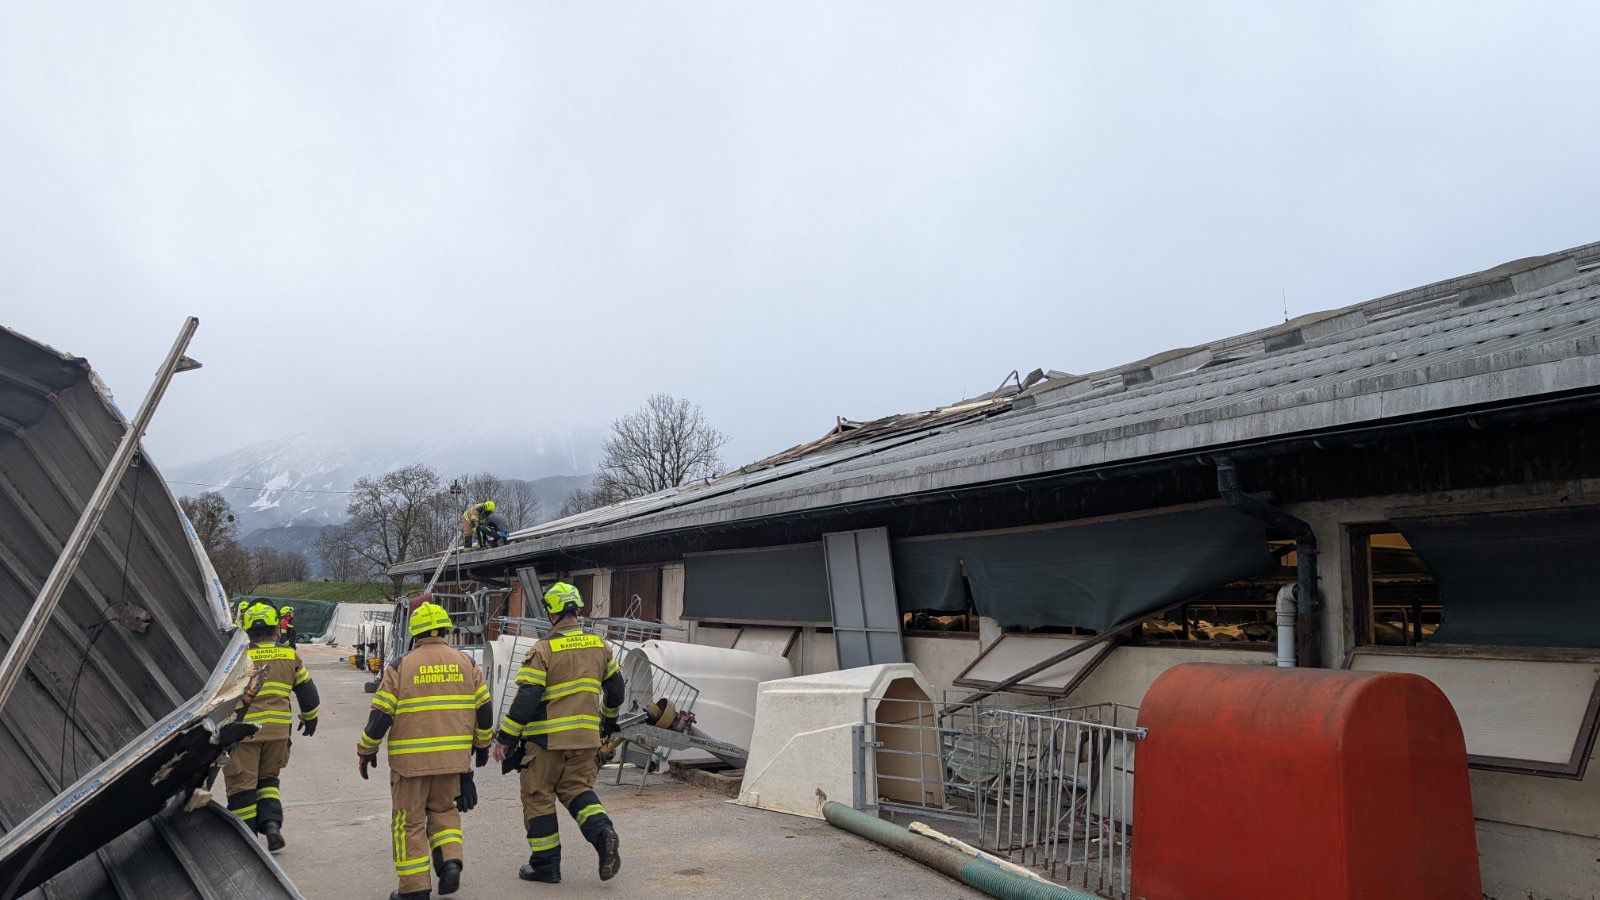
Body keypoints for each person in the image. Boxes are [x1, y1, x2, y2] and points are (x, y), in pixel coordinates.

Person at [357, 601, 494, 900]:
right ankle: (450, 864)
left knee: (409, 822)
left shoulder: (399, 667)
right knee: (445, 812)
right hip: (452, 762)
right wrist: (482, 746)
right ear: (446, 630)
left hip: (410, 766)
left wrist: (366, 750)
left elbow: (380, 716)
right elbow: (484, 711)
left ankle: (414, 889)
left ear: (414, 634)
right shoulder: (467, 664)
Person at [493, 582, 625, 884]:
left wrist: (506, 738)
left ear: (552, 613)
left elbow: (527, 699)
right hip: (586, 740)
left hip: (545, 743)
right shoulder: (600, 647)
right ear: (577, 609)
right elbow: (616, 689)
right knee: (578, 791)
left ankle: (545, 866)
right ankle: (603, 832)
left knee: (538, 798)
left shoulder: (543, 649)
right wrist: (607, 721)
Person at [225, 602, 319, 851]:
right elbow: (308, 693)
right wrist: (310, 718)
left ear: (246, 630)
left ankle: (245, 843)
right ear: (275, 628)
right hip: (278, 733)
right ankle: (271, 825)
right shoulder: (290, 654)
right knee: (268, 780)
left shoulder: (238, 656)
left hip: (243, 733)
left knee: (242, 785)